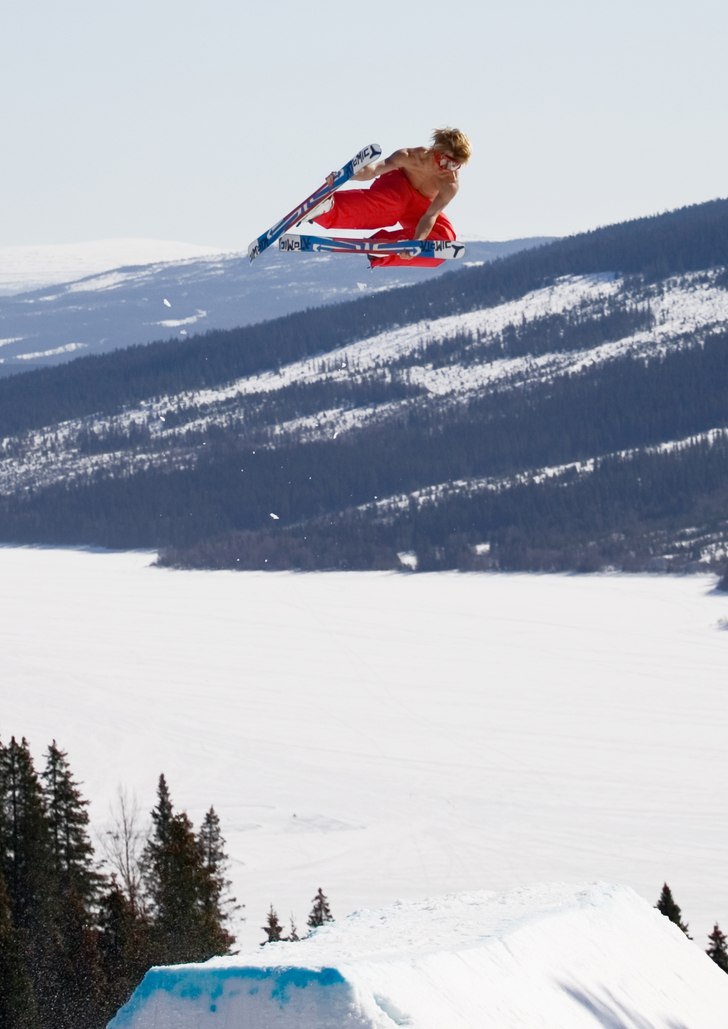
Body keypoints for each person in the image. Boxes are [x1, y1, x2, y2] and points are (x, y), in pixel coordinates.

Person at [310, 127, 472, 267]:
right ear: (436, 149)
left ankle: (385, 250)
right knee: (394, 207)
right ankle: (328, 209)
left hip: (418, 206)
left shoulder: (450, 184)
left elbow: (430, 215)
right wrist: (346, 176)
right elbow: (373, 170)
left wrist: (416, 243)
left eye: (454, 165)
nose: (446, 169)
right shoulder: (410, 156)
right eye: (444, 161)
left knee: (443, 243)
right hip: (396, 188)